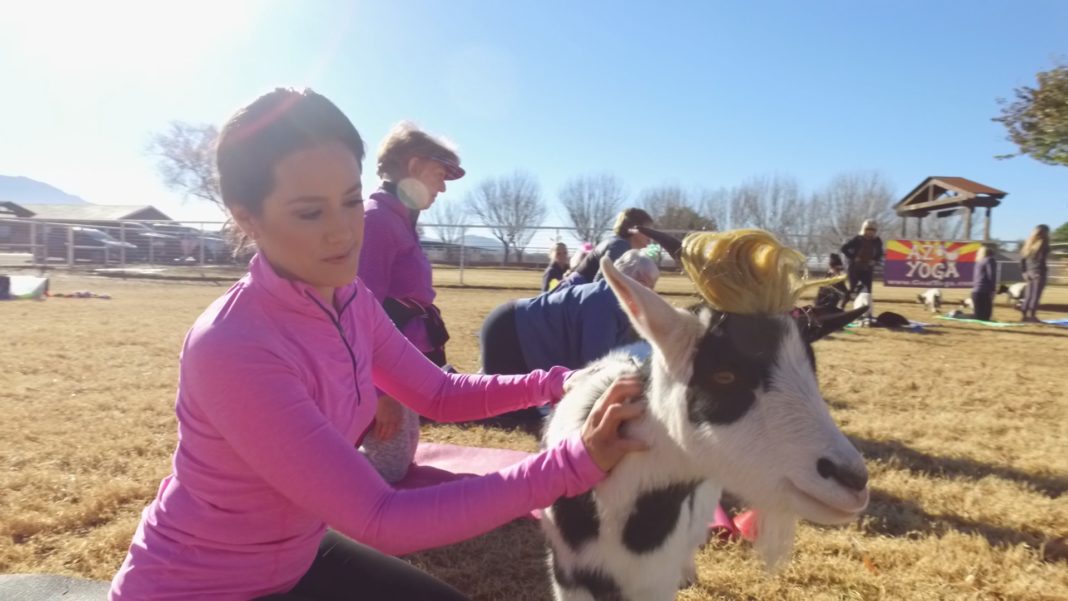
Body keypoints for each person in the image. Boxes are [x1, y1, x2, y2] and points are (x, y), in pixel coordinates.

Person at [108, 88, 647, 601]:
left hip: (291, 556)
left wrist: (557, 382)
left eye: (348, 202)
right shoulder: (231, 346)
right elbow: (381, 520)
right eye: (310, 212)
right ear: (246, 215)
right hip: (195, 586)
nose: (344, 232)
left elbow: (438, 393)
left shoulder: (349, 297)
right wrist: (571, 466)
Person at [357, 121, 463, 482]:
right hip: (385, 371)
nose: (443, 187)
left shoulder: (397, 221)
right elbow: (360, 313)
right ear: (414, 167)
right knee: (384, 469)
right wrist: (379, 394)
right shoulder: (377, 222)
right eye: (439, 173)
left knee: (401, 458)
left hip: (403, 362)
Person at [480, 250, 659, 377]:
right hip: (508, 334)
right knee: (509, 410)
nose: (650, 293)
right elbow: (596, 365)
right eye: (646, 285)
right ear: (630, 279)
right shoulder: (605, 301)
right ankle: (453, 386)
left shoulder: (618, 303)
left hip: (511, 328)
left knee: (526, 407)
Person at [558, 208, 654, 288]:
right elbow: (598, 286)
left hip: (577, 290)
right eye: (648, 231)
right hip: (574, 292)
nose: (651, 236)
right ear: (634, 230)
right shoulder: (620, 245)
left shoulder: (621, 245)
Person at [840, 219, 883, 298]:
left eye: (873, 230)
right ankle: (844, 305)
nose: (870, 232)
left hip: (867, 268)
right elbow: (843, 248)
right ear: (864, 229)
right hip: (854, 268)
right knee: (853, 290)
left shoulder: (877, 241)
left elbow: (880, 253)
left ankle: (866, 307)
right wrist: (853, 257)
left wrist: (874, 260)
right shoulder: (857, 239)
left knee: (868, 291)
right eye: (868, 229)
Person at [1019, 224, 1050, 322]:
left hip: (1029, 272)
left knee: (1028, 294)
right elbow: (1041, 260)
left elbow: (1022, 260)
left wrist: (1024, 272)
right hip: (1038, 272)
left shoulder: (1028, 244)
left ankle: (1024, 315)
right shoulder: (1043, 244)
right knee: (1036, 295)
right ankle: (1032, 315)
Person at [971, 244, 998, 321]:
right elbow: (991, 275)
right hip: (984, 292)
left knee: (979, 317)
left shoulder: (978, 261)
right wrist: (993, 290)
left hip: (976, 292)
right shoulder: (990, 260)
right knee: (986, 317)